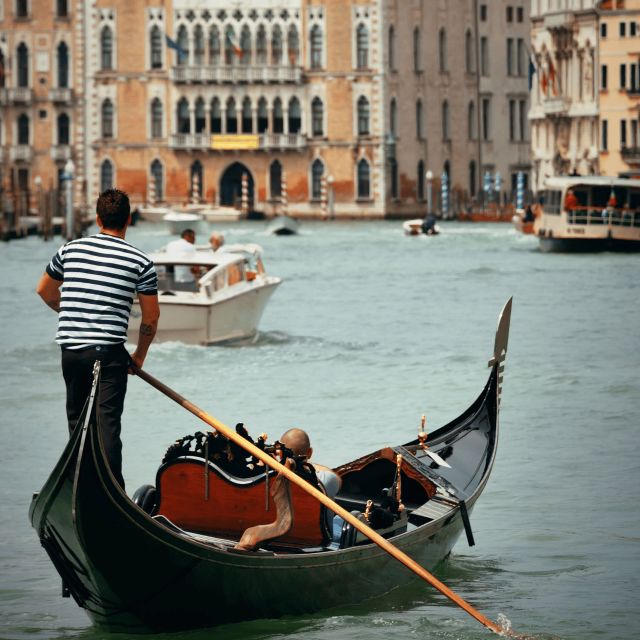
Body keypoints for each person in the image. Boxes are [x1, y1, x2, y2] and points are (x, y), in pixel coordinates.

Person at [36, 189, 160, 489]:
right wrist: (139, 356)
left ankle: (78, 485)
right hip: (108, 353)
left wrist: (70, 312)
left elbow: (45, 291)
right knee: (107, 427)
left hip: (71, 351)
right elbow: (151, 317)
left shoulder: (69, 250)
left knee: (77, 423)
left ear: (97, 218)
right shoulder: (140, 261)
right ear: (128, 220)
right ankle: (112, 491)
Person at [279, 428, 342, 498]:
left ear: (280, 454)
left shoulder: (270, 480)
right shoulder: (327, 479)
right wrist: (309, 463)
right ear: (310, 452)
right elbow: (338, 480)